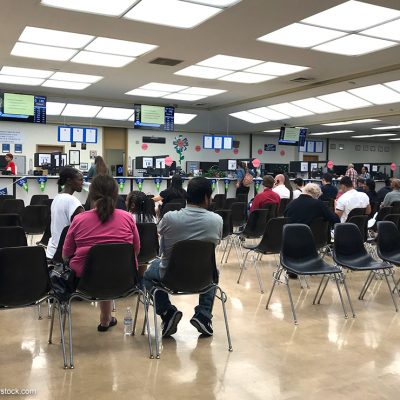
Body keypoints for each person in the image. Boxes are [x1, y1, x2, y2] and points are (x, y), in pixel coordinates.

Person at [143, 177, 223, 338]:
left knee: (147, 276)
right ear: (207, 198)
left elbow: (159, 235)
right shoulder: (217, 221)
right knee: (213, 272)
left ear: (187, 196)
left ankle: (167, 312)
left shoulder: (170, 218)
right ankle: (204, 315)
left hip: (170, 277)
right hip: (203, 278)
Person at [63, 175, 140, 331]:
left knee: (100, 269)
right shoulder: (127, 218)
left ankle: (105, 318)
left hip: (85, 281)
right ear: (116, 194)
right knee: (108, 267)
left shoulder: (79, 219)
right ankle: (105, 318)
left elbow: (66, 254)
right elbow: (136, 251)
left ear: (91, 194)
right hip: (124, 278)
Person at [46, 167, 84, 260]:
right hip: (64, 254)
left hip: (52, 251)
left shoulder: (57, 197)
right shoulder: (72, 201)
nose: (82, 182)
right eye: (80, 180)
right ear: (69, 181)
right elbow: (84, 228)